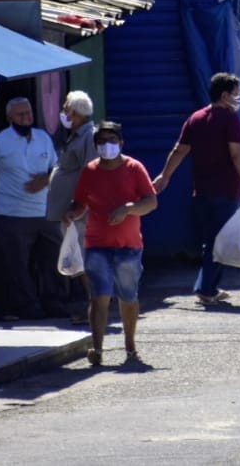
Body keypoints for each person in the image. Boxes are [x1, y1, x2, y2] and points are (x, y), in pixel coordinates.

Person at [154, 72, 240, 306]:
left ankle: (208, 285)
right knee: (218, 242)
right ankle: (207, 289)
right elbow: (237, 154)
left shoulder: (196, 118)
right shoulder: (230, 120)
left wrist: (165, 175)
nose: (239, 97)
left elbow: (179, 150)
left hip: (201, 191)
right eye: (236, 93)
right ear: (225, 95)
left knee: (211, 240)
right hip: (226, 190)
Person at [66, 121, 158, 366]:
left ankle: (130, 346)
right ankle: (97, 349)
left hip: (129, 246)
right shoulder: (90, 171)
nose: (107, 145)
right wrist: (72, 213)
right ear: (96, 146)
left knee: (128, 297)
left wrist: (129, 209)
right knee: (99, 297)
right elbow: (80, 202)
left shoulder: (134, 168)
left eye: (112, 140)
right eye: (102, 141)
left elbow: (151, 201)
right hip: (97, 244)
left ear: (121, 143)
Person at [0, 97, 58, 321]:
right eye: (20, 115)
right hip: (11, 213)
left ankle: (52, 301)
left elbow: (56, 167)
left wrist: (45, 179)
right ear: (9, 118)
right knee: (18, 264)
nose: (26, 118)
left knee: (51, 259)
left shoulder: (43, 137)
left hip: (44, 211)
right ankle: (27, 305)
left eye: (28, 113)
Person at [46, 91, 98, 323]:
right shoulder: (76, 135)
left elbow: (90, 175)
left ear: (75, 113)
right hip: (70, 212)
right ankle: (92, 306)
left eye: (66, 109)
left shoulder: (88, 137)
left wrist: (79, 207)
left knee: (83, 259)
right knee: (78, 259)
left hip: (77, 212)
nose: (64, 113)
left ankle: (94, 308)